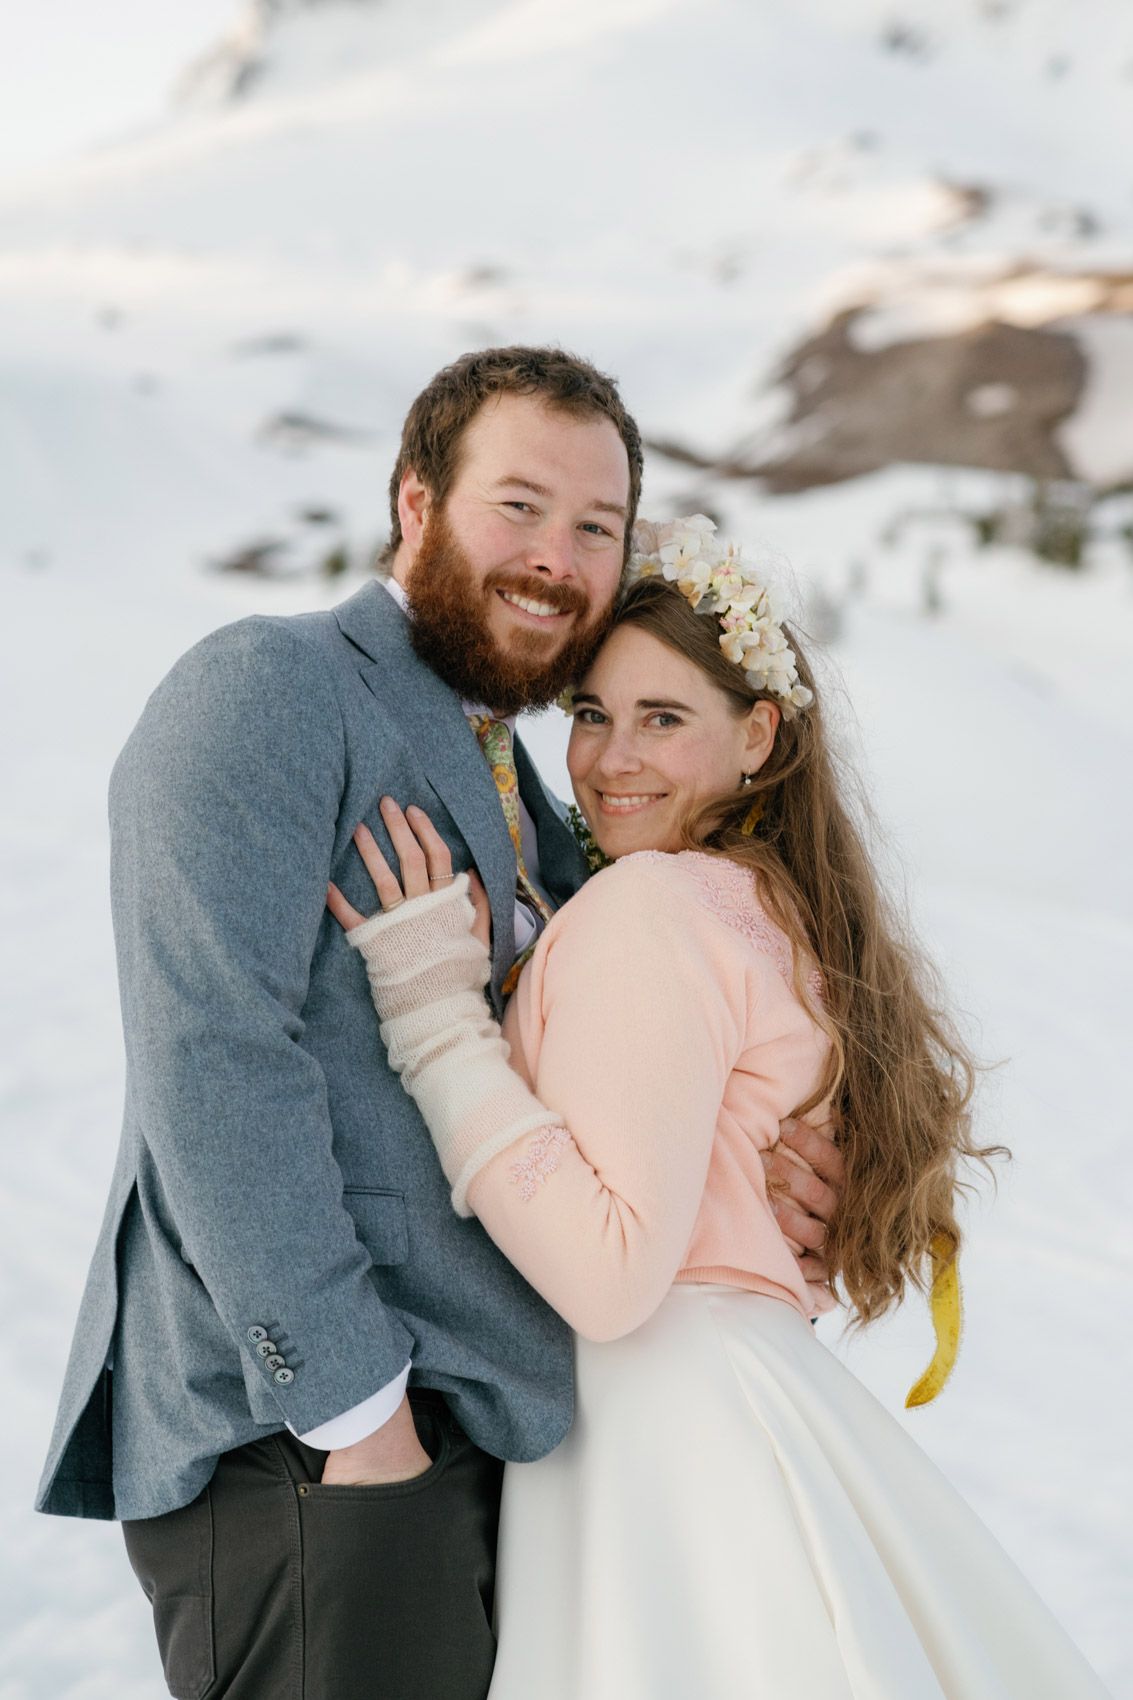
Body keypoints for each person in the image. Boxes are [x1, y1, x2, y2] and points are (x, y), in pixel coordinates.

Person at [36, 352, 838, 1700]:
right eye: (518, 506)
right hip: (316, 1452)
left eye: (596, 526)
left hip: (494, 1441)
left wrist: (760, 1179)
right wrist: (355, 1417)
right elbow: (215, 1061)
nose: (558, 559)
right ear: (416, 500)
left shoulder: (532, 783)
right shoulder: (267, 689)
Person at [328, 515, 1112, 1699]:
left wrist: (434, 1012)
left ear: (756, 735)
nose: (607, 758)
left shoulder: (651, 902)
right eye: (590, 713)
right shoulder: (773, 908)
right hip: (746, 1404)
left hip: (660, 1437)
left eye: (661, 717)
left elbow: (606, 1275)